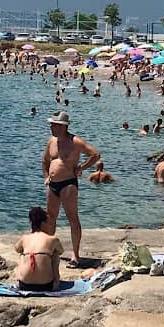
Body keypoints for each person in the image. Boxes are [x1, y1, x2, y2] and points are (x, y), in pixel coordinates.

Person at [41, 111, 99, 267]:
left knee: (72, 218)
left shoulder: (75, 141)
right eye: (51, 124)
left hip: (68, 184)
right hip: (52, 185)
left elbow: (95, 154)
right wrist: (46, 176)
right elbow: (45, 160)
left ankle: (75, 255)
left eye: (54, 125)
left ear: (63, 126)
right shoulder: (51, 141)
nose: (51, 127)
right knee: (50, 217)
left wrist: (81, 168)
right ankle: (48, 251)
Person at [12, 206, 64, 292]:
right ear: (43, 223)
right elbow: (61, 251)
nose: (49, 225)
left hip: (24, 285)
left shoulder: (25, 238)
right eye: (48, 223)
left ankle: (18, 278)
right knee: (55, 254)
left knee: (22, 254)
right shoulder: (52, 239)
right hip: (47, 286)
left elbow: (17, 249)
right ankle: (56, 281)